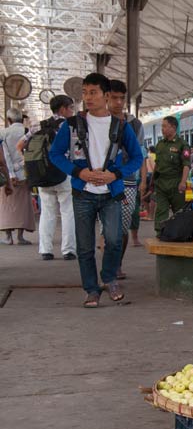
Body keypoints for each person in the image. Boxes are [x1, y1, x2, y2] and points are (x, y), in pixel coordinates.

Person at [48, 72, 144, 307]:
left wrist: (115, 174)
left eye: (93, 92)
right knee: (84, 246)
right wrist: (79, 172)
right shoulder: (71, 126)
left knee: (113, 239)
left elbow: (137, 157)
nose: (87, 98)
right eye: (84, 92)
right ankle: (92, 289)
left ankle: (110, 278)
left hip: (111, 193)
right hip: (83, 193)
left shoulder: (121, 127)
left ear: (106, 95)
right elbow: (55, 154)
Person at [16, 95, 76, 259]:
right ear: (63, 109)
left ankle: (46, 250)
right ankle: (68, 250)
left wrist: (32, 161)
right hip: (63, 174)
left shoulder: (38, 126)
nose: (72, 111)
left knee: (47, 213)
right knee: (67, 211)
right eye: (71, 107)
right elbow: (75, 151)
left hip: (42, 174)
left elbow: (19, 145)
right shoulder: (69, 126)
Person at [107, 79, 146, 279]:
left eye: (122, 98)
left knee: (121, 226)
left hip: (126, 180)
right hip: (97, 181)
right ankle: (109, 267)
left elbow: (138, 154)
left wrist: (143, 179)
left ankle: (116, 265)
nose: (118, 102)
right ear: (106, 97)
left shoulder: (134, 124)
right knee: (107, 229)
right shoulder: (92, 122)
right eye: (114, 98)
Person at [147, 116, 191, 236]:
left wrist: (183, 182)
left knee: (179, 211)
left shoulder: (182, 145)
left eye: (165, 126)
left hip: (176, 182)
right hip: (161, 183)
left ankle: (179, 234)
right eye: (162, 126)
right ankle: (160, 233)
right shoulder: (160, 145)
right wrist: (152, 182)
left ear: (173, 127)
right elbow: (157, 164)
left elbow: (186, 165)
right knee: (161, 209)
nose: (162, 129)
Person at [0, 109, 34, 245]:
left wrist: (11, 173)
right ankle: (20, 237)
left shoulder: (4, 132)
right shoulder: (28, 132)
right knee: (23, 205)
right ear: (22, 119)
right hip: (25, 174)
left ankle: (8, 237)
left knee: (6, 205)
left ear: (9, 120)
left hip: (7, 174)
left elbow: (5, 156)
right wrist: (20, 167)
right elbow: (30, 153)